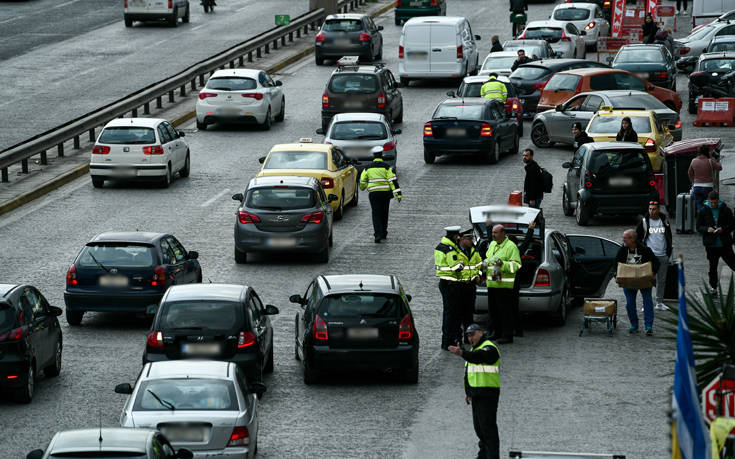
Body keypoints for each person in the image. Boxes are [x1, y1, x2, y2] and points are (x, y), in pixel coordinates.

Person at [448, 324, 500, 459]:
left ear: (481, 333)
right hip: (476, 394)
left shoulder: (489, 348)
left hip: (487, 394)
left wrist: (462, 353)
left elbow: (478, 357)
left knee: (488, 429)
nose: (470, 338)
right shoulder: (473, 350)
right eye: (468, 335)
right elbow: (469, 373)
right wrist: (468, 391)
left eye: (473, 334)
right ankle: (483, 456)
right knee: (480, 430)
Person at [615, 229, 660, 335]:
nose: (623, 240)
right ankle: (634, 325)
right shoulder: (622, 250)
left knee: (647, 302)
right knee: (630, 304)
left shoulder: (645, 249)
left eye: (625, 238)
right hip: (629, 281)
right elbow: (616, 263)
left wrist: (653, 273)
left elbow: (656, 262)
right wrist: (616, 275)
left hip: (644, 280)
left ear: (633, 239)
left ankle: (648, 326)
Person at [485, 225, 521, 344]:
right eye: (492, 232)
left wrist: (503, 264)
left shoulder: (511, 246)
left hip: (504, 286)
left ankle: (507, 335)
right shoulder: (492, 244)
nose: (493, 235)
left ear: (503, 233)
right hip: (492, 283)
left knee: (505, 312)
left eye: (495, 233)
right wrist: (483, 265)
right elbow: (488, 258)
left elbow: (517, 265)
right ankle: (496, 332)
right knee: (494, 311)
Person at [359, 148, 402, 243]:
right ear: (381, 155)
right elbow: (393, 181)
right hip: (385, 194)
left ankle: (377, 234)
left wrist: (363, 187)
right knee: (384, 213)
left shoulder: (368, 168)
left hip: (374, 194)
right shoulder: (387, 167)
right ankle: (384, 232)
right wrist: (398, 194)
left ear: (373, 156)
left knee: (376, 213)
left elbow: (362, 181)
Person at [636, 201, 672, 311]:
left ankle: (659, 302)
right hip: (650, 257)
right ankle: (645, 304)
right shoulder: (644, 222)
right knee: (646, 280)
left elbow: (669, 236)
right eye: (650, 209)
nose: (651, 211)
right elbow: (637, 237)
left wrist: (668, 252)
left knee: (661, 280)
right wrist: (643, 251)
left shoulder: (664, 221)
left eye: (654, 209)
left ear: (658, 210)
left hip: (663, 255)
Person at [696, 191, 735, 293]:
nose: (713, 205)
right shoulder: (703, 210)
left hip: (724, 243)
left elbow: (732, 224)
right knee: (712, 267)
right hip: (711, 244)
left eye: (715, 202)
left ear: (718, 200)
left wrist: (723, 229)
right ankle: (713, 287)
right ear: (709, 201)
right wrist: (707, 229)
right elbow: (698, 227)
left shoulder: (725, 210)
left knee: (733, 263)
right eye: (712, 203)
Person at [435, 226, 464, 350]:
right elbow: (456, 267)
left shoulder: (440, 246)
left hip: (444, 282)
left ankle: (447, 340)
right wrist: (462, 262)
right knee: (451, 314)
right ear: (454, 236)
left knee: (448, 312)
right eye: (457, 236)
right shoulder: (450, 249)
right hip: (451, 284)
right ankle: (448, 341)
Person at [457, 229, 484, 342]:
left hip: (471, 286)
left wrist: (478, 276)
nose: (471, 241)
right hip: (459, 286)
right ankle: (458, 338)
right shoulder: (455, 251)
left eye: (471, 239)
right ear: (462, 239)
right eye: (469, 239)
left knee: (469, 314)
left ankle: (468, 337)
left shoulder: (473, 251)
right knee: (458, 314)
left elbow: (480, 266)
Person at [689, 144, 722, 215]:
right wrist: (713, 158)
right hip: (708, 187)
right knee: (709, 206)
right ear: (707, 152)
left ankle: (700, 221)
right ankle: (708, 222)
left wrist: (693, 181)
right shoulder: (710, 161)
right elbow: (719, 168)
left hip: (697, 187)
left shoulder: (693, 161)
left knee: (699, 206)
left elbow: (690, 173)